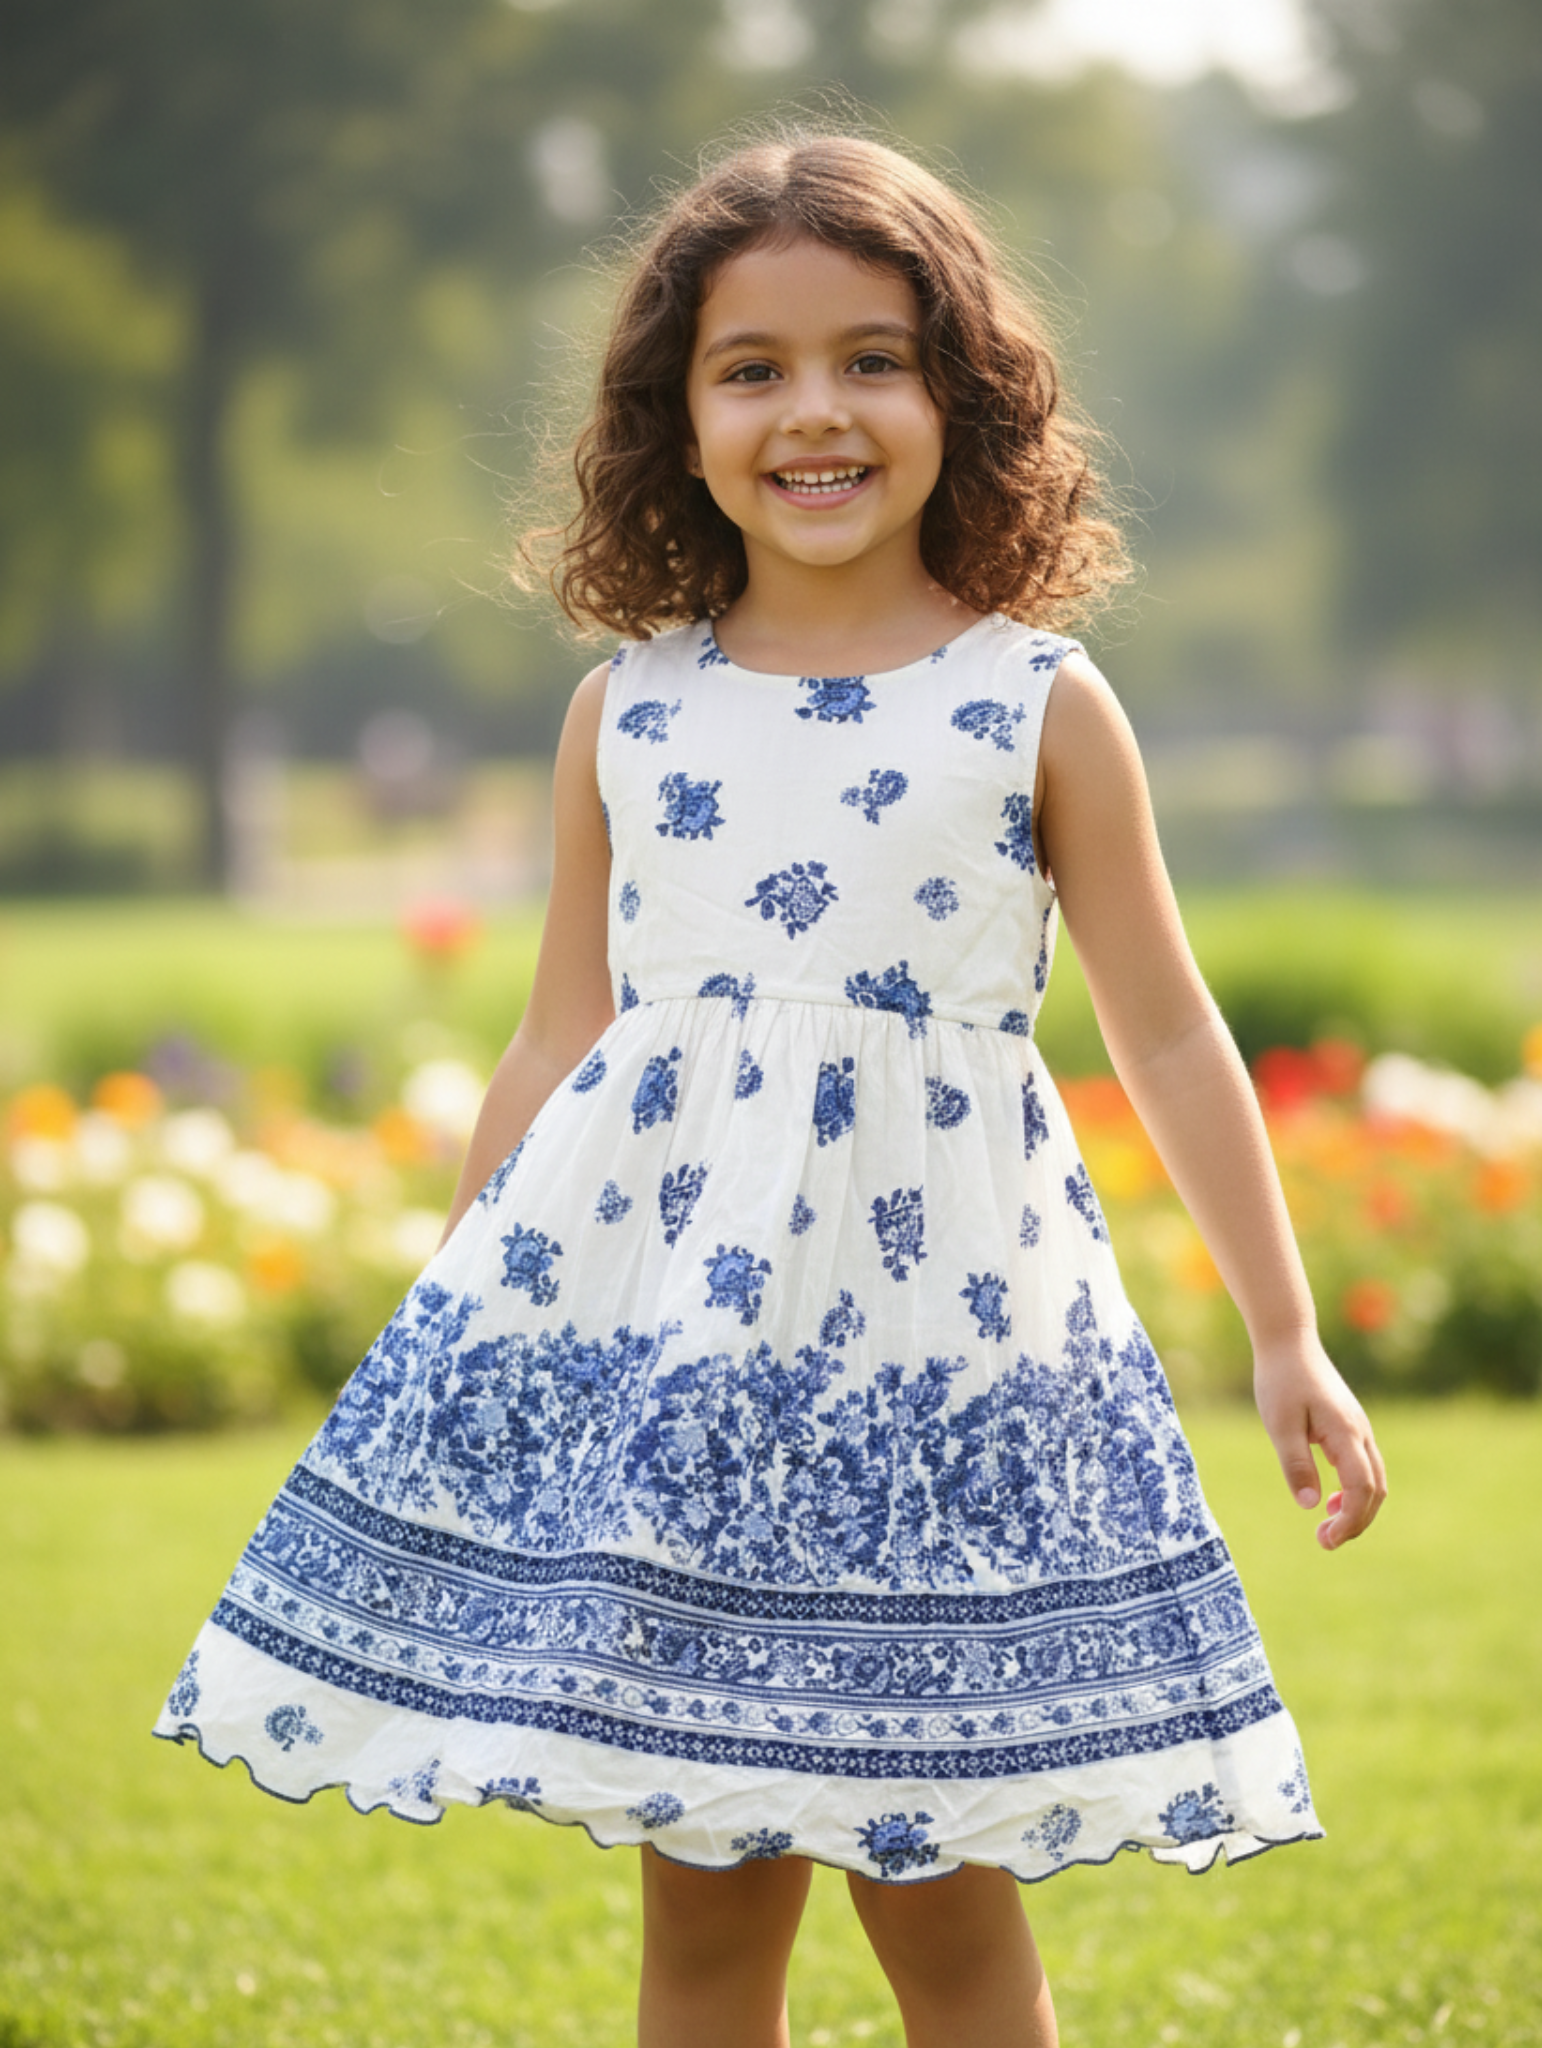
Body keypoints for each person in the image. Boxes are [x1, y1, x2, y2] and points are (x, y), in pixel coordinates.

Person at [156, 131, 1387, 2048]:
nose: (815, 410)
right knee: (706, 1942)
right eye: (754, 367)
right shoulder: (626, 713)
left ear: (957, 399)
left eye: (871, 357)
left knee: (954, 1941)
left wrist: (1285, 1330)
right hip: (692, 1406)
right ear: (680, 416)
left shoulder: (1031, 702)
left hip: (925, 1397)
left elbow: (1163, 1031)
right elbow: (560, 1038)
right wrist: (461, 1322)